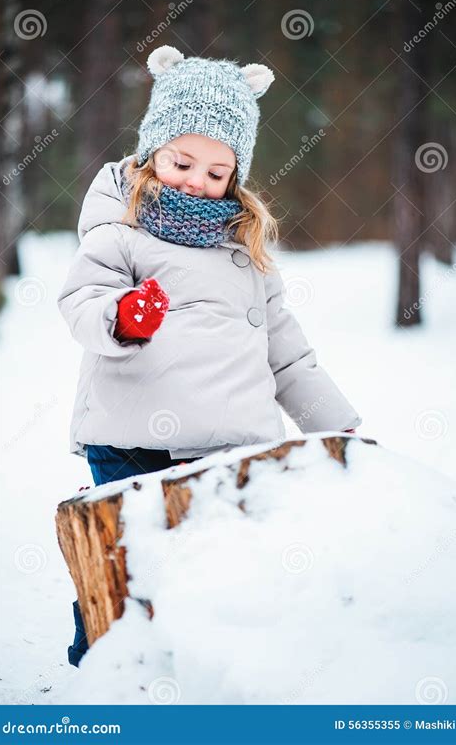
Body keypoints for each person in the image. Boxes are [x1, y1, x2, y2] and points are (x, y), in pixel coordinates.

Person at [57, 45, 362, 667]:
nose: (197, 180)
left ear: (236, 178)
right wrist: (123, 315)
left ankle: (205, 684)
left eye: (217, 171)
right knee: (129, 569)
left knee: (218, 575)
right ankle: (102, 680)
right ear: (152, 153)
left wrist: (337, 424)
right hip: (134, 439)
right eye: (182, 160)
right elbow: (82, 300)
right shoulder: (120, 229)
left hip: (232, 443)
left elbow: (288, 355)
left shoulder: (244, 252)